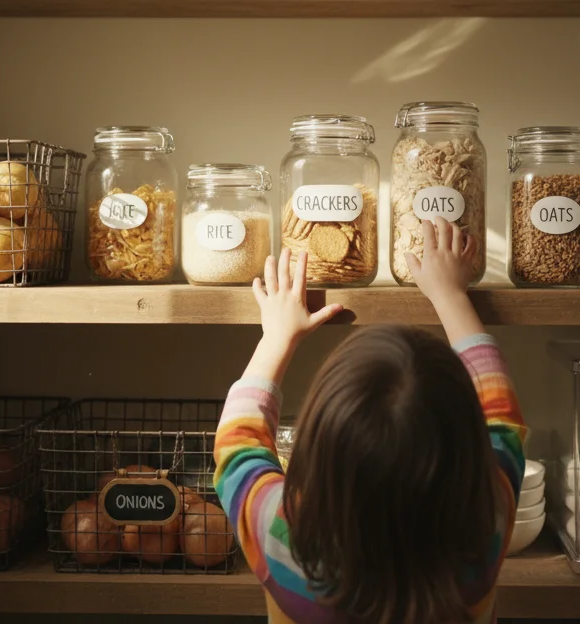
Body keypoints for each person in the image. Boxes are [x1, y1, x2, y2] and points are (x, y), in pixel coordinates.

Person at [214, 217, 528, 624]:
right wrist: (450, 296)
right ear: (466, 456)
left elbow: (236, 445)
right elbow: (500, 413)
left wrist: (277, 337)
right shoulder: (484, 524)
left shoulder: (283, 540)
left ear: (316, 449)